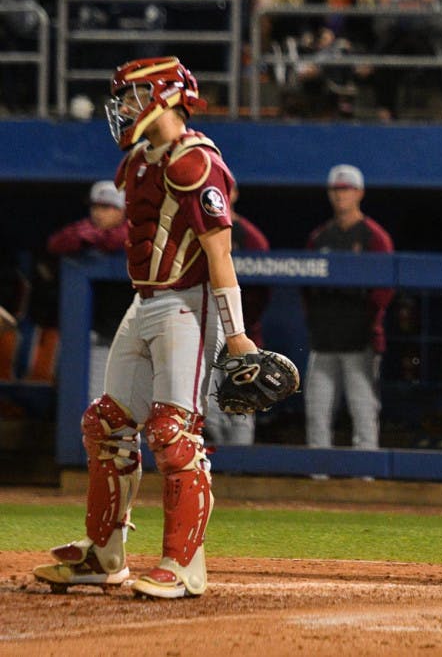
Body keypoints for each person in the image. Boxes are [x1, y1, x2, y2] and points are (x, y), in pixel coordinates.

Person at [33, 55, 258, 599]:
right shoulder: (139, 160)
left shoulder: (196, 161)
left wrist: (236, 335)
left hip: (188, 303)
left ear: (164, 96)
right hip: (144, 301)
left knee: (172, 432)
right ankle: (105, 556)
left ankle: (185, 566)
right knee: (106, 423)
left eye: (133, 97)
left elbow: (220, 252)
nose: (125, 108)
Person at [303, 164, 394, 453]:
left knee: (363, 410)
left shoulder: (374, 237)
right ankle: (319, 478)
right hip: (323, 342)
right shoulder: (320, 237)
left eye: (347, 190)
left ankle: (365, 479)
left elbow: (384, 290)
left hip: (360, 342)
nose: (341, 195)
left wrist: (367, 323)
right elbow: (305, 286)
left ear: (360, 193)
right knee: (317, 411)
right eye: (337, 190)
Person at [45, 180, 131, 401]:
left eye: (107, 207)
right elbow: (56, 243)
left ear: (123, 210)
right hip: (99, 331)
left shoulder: (137, 229)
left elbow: (119, 239)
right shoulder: (85, 229)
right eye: (96, 207)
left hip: (135, 333)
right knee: (96, 397)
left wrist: (97, 238)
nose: (99, 213)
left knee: (135, 400)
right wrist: (85, 237)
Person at [203, 186, 271, 447]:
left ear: (234, 194)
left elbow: (264, 290)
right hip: (205, 329)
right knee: (208, 405)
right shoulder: (201, 229)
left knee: (243, 404)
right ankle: (218, 465)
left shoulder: (250, 237)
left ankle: (241, 465)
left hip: (241, 331)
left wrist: (244, 325)